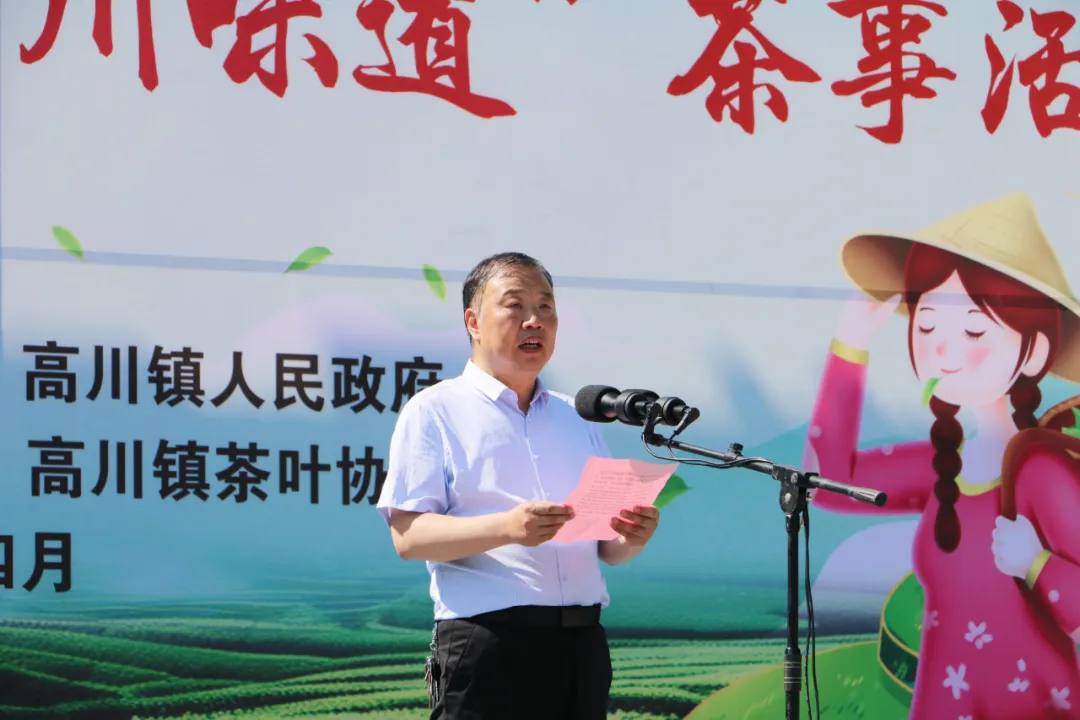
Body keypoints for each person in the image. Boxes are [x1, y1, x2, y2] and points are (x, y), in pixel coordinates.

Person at [804, 191, 1080, 719]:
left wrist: (1037, 564)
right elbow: (828, 481)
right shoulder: (941, 463)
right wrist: (851, 347)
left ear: (1037, 350)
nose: (944, 350)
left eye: (974, 330)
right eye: (927, 326)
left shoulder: (1043, 472)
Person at [377, 251, 661, 720]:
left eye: (546, 307)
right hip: (489, 647)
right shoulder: (434, 410)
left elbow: (606, 549)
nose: (535, 320)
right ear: (473, 321)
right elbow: (408, 537)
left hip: (582, 647)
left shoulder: (579, 415)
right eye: (515, 305)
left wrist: (629, 536)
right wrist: (508, 528)